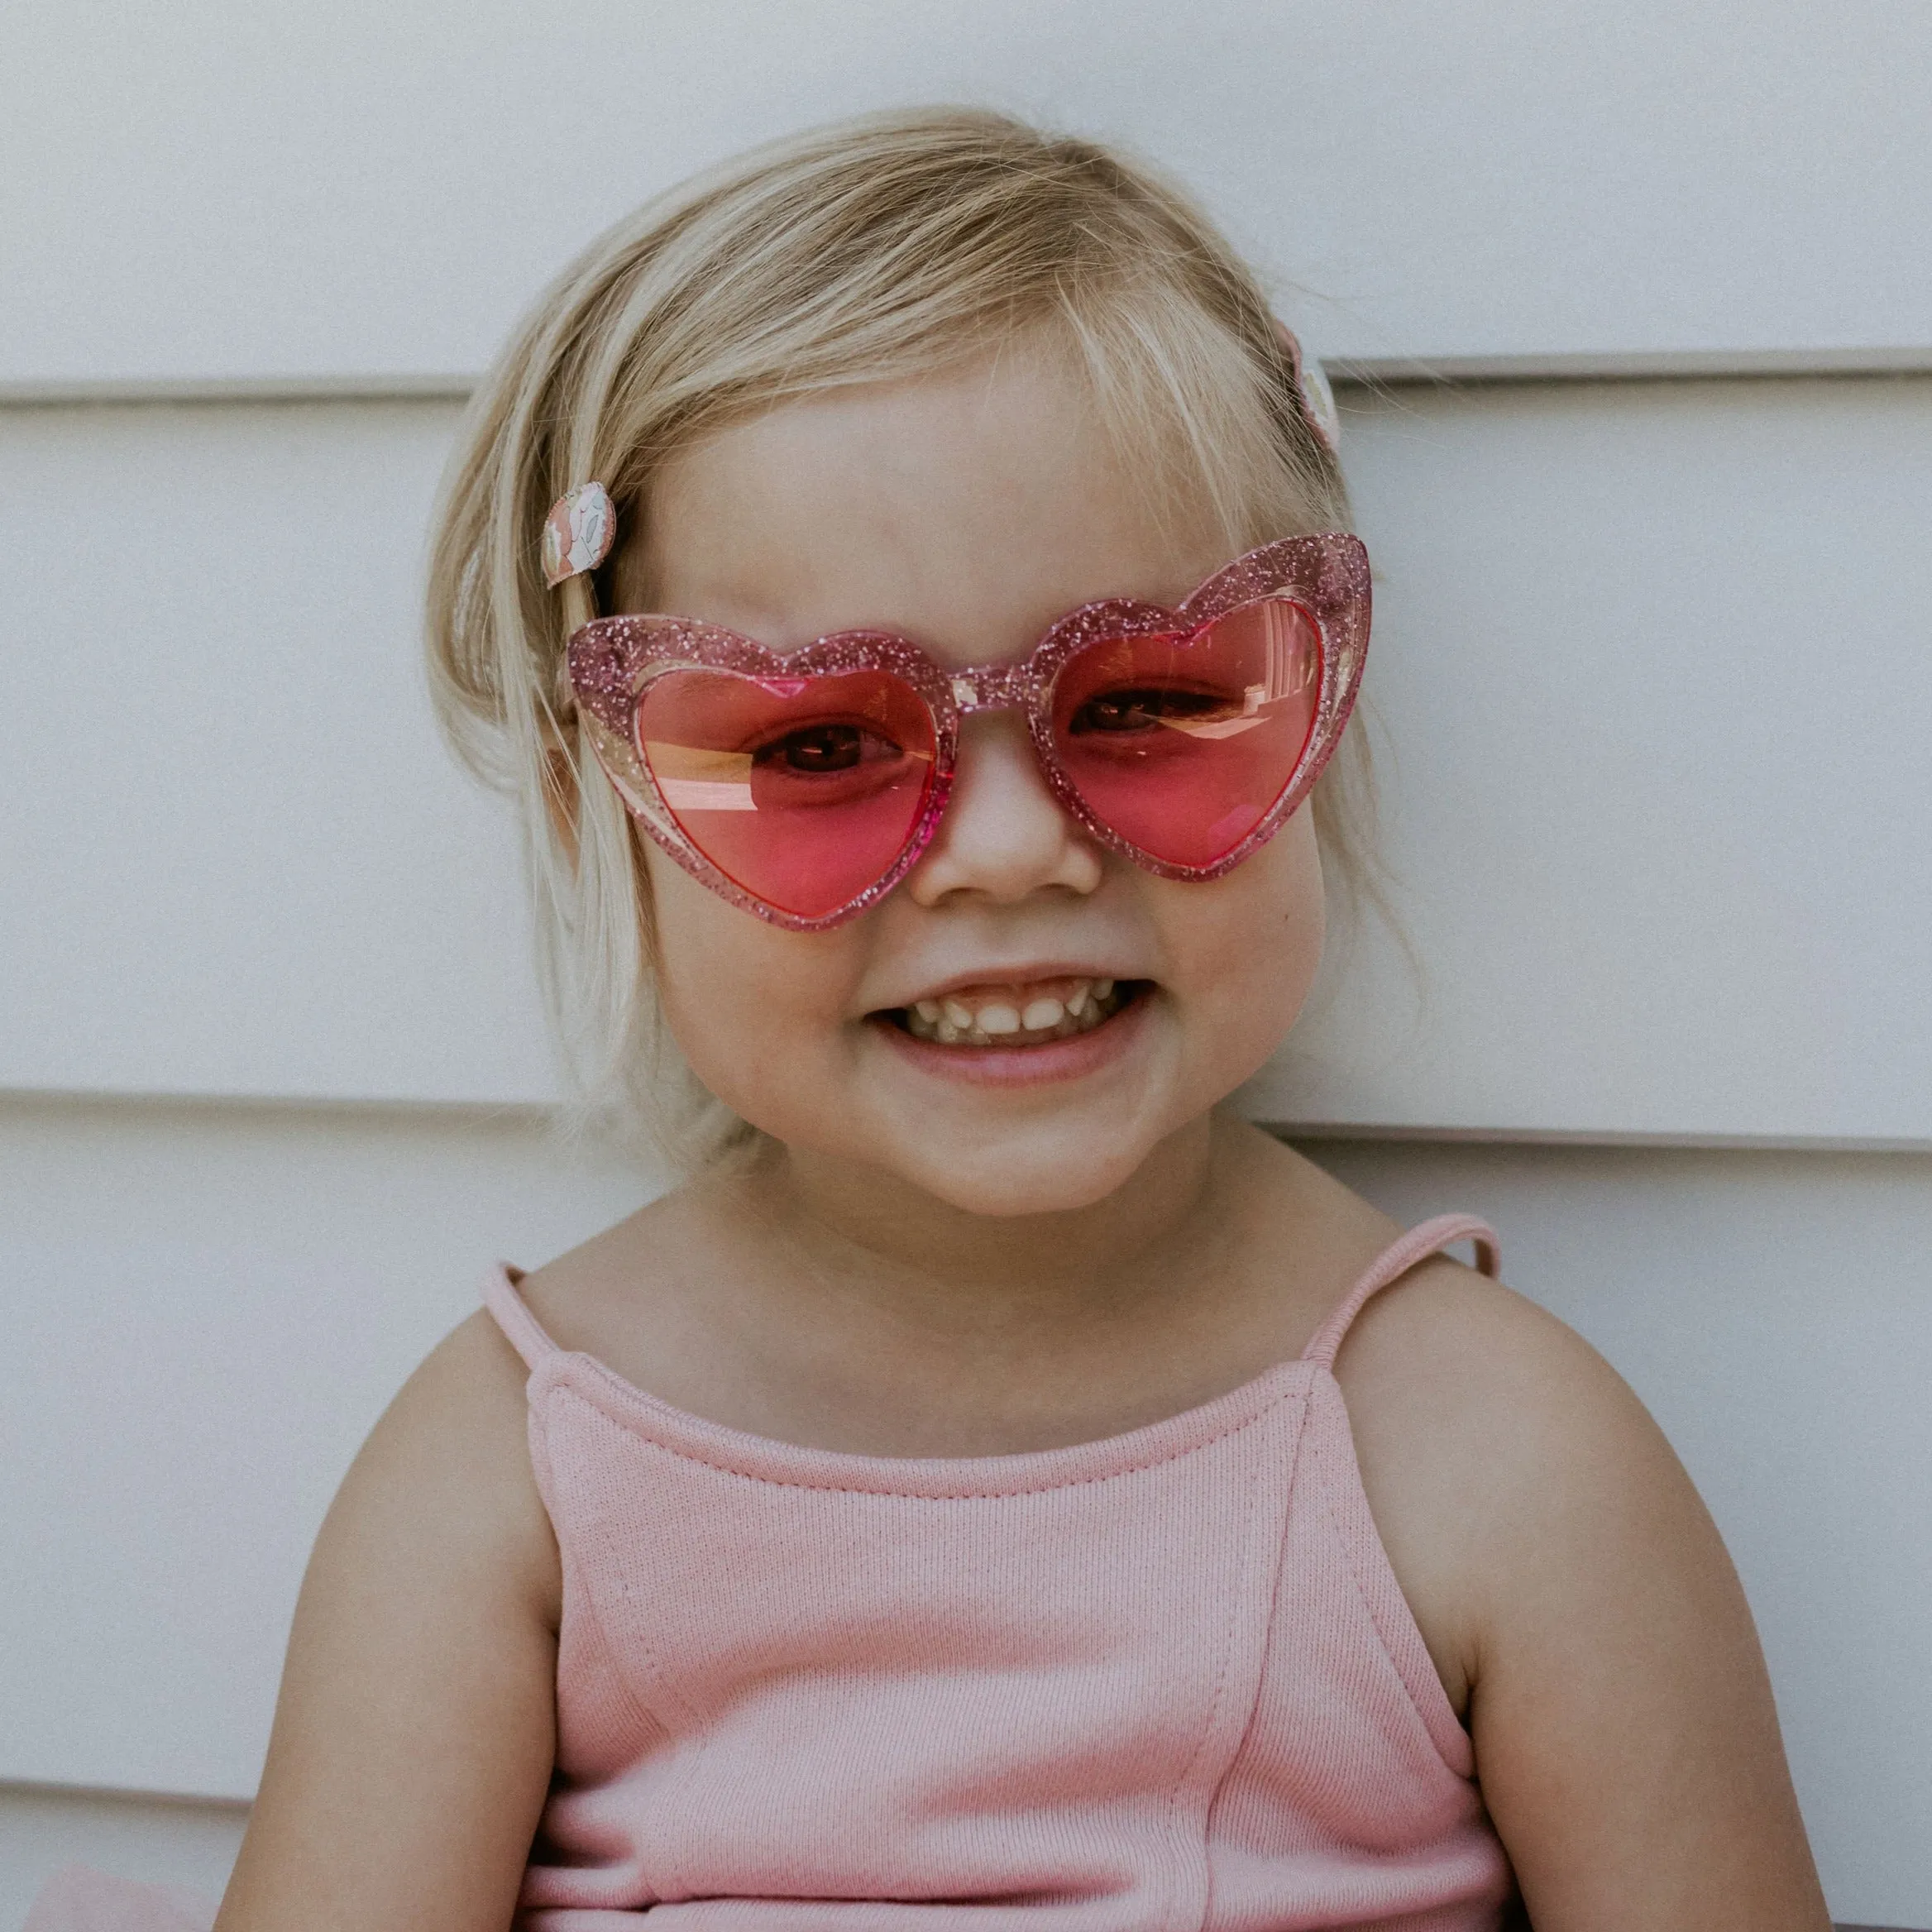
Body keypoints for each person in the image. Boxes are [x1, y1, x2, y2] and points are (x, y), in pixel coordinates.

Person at [32, 107, 1830, 1932]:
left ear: (1315, 706)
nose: (1005, 850)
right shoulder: (518, 1475)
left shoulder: (1492, 1458)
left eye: (1143, 699)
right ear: (610, 817)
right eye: (815, 746)